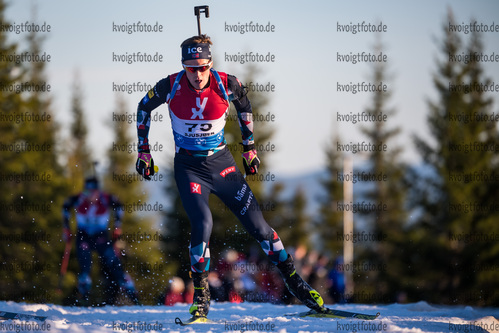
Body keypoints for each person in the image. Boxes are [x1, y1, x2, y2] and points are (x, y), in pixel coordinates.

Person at [135, 34, 326, 318]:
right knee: (203, 223)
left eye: (202, 67)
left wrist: (249, 148)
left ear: (210, 63)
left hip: (222, 166)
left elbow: (245, 107)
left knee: (260, 229)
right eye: (191, 68)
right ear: (183, 66)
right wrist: (144, 152)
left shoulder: (226, 83)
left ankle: (295, 282)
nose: (197, 74)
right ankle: (201, 295)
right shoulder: (171, 84)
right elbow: (143, 107)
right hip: (190, 169)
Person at [62, 176, 139, 306]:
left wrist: (117, 226)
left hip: (101, 236)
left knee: (114, 265)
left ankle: (133, 296)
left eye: (93, 191)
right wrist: (66, 227)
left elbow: (119, 206)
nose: (90, 195)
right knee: (85, 267)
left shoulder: (105, 198)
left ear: (98, 190)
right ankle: (83, 297)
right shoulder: (79, 199)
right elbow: (65, 207)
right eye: (87, 191)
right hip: (84, 235)